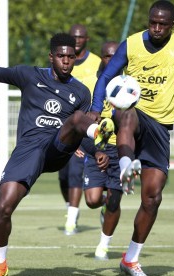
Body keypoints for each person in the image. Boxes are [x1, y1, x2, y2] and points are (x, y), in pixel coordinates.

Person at [0, 33, 115, 276]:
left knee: (79, 119)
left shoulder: (80, 92)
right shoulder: (29, 75)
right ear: (51, 57)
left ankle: (99, 131)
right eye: (61, 56)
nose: (67, 61)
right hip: (29, 150)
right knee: (3, 207)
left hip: (57, 149)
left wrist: (98, 151)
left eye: (71, 57)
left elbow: (79, 130)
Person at [88, 1, 174, 275]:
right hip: (134, 113)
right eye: (152, 23)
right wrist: (94, 108)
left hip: (161, 127)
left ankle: (131, 259)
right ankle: (126, 167)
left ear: (173, 24)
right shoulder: (132, 44)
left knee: (152, 198)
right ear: (148, 20)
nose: (157, 28)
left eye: (163, 24)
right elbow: (106, 77)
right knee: (127, 115)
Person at [59, 24, 102, 235]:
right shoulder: (63, 61)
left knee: (76, 169)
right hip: (65, 125)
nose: (76, 40)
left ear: (87, 38)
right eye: (73, 36)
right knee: (63, 176)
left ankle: (71, 220)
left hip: (86, 126)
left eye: (80, 36)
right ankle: (71, 209)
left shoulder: (96, 63)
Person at [81, 41, 121, 261]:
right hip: (98, 146)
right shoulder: (90, 85)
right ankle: (105, 205)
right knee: (92, 200)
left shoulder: (129, 84)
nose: (112, 61)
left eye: (116, 57)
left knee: (116, 198)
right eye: (107, 56)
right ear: (102, 59)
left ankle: (103, 246)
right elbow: (80, 118)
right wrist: (82, 144)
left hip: (122, 148)